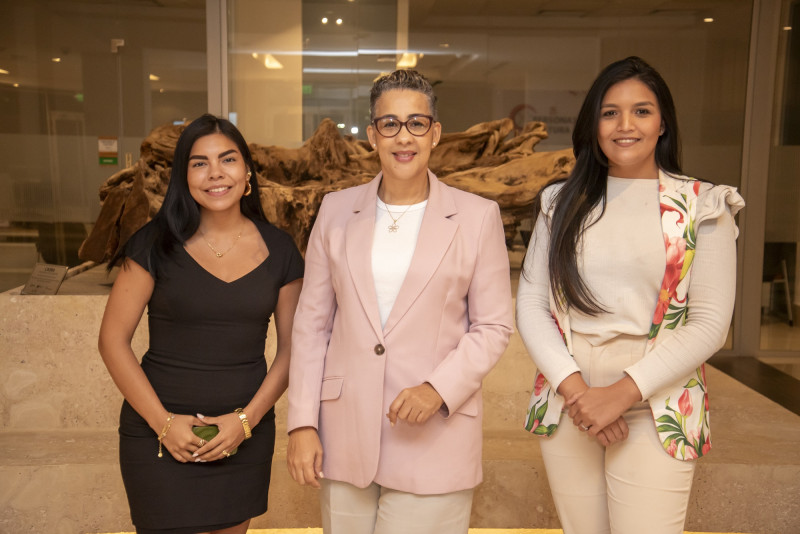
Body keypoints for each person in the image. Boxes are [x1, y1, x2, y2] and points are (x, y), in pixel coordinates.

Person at [516, 56, 744, 534]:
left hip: (657, 404)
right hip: (569, 402)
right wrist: (581, 395)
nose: (625, 125)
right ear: (593, 124)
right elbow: (532, 307)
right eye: (609, 112)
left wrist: (620, 395)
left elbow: (710, 323)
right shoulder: (560, 203)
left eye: (642, 111)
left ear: (663, 124)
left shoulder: (703, 205)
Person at [286, 69, 514, 534]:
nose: (402, 136)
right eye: (389, 124)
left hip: (434, 436)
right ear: (372, 135)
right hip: (343, 435)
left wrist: (438, 388)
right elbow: (312, 327)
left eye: (415, 123)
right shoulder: (334, 211)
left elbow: (493, 326)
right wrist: (301, 424)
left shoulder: (477, 217)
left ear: (435, 133)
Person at [98, 114, 303, 534]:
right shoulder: (154, 244)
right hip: (158, 434)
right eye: (199, 163)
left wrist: (245, 422)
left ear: (247, 171)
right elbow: (112, 342)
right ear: (183, 176)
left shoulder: (281, 251)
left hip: (243, 437)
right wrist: (164, 423)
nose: (215, 174)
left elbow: (293, 350)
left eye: (227, 160)